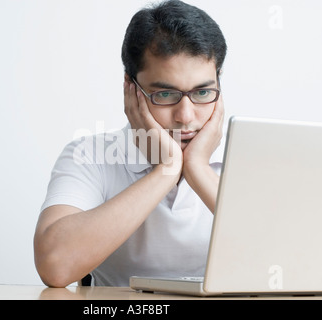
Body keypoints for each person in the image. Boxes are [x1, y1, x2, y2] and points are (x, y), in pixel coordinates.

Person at [34, 0, 227, 287]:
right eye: (164, 94)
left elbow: (289, 265)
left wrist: (198, 168)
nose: (186, 116)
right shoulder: (90, 156)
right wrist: (167, 169)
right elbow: (55, 266)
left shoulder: (247, 156)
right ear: (130, 87)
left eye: (202, 92)